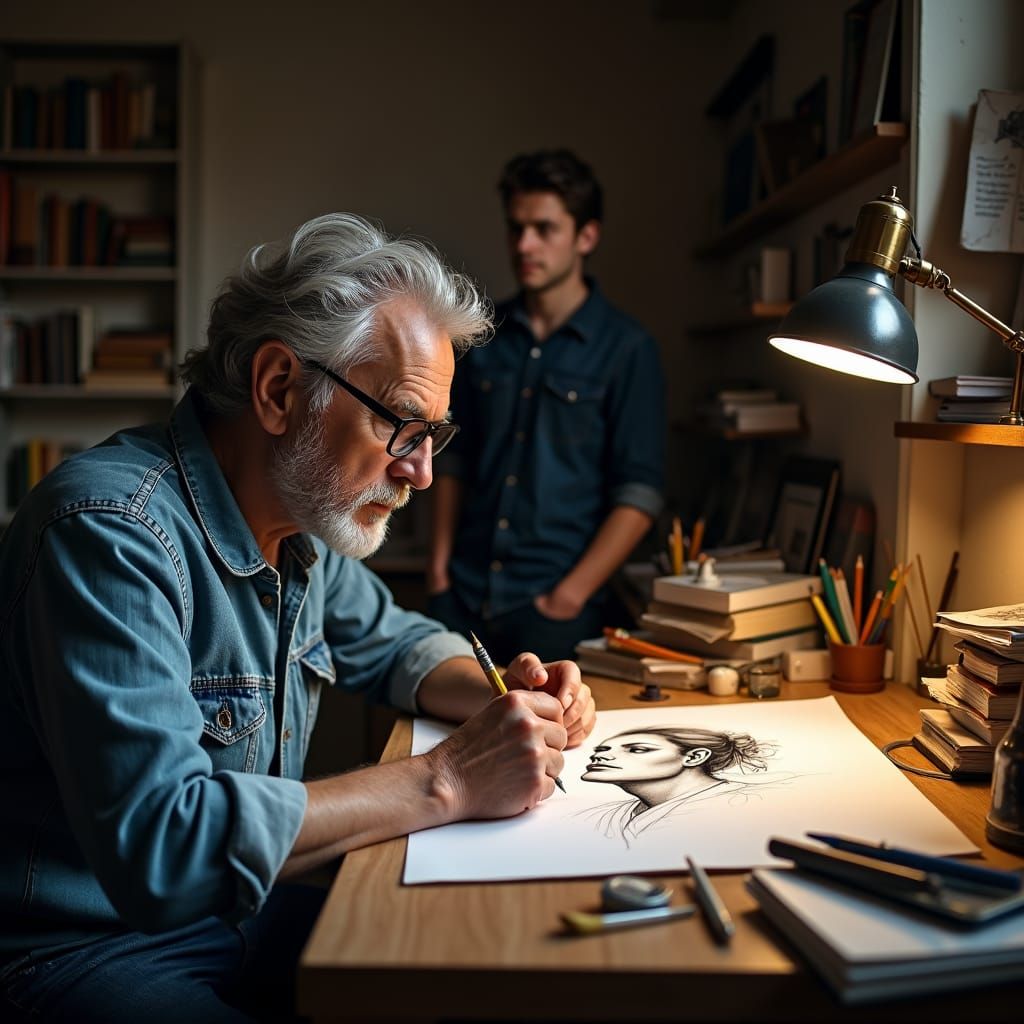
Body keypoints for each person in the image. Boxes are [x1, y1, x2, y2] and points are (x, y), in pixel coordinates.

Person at [0, 213, 595, 1023]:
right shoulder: (106, 531)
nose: (420, 472)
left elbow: (398, 646)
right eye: (400, 424)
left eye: (435, 436)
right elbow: (164, 846)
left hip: (231, 920)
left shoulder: (294, 526)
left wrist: (503, 697)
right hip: (69, 950)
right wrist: (449, 777)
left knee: (477, 980)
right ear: (280, 389)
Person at [427, 149, 666, 664]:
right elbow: (451, 457)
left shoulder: (627, 348)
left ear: (586, 236)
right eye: (516, 228)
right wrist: (440, 568)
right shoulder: (481, 334)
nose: (524, 245)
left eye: (543, 229)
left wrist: (568, 596)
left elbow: (640, 494)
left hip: (556, 610)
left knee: (548, 742)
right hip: (462, 595)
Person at [579, 726, 781, 847]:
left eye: (637, 749)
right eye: (602, 749)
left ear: (694, 757)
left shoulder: (740, 804)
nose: (600, 755)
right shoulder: (601, 816)